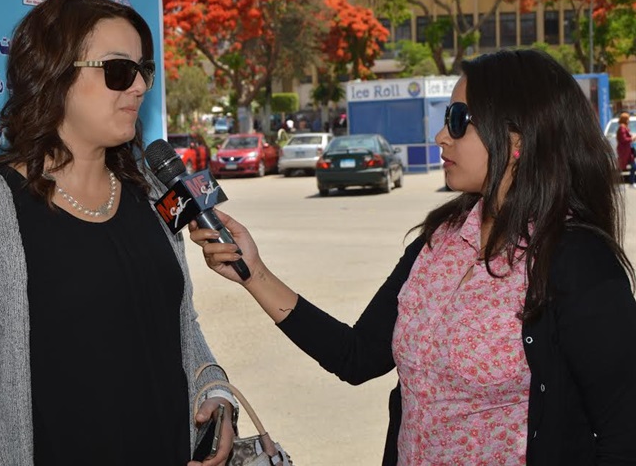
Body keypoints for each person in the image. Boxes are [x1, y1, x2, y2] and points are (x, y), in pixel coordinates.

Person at [190, 49, 636, 465]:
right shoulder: (439, 241)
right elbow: (358, 356)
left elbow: (622, 433)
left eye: (458, 120)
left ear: (516, 138)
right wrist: (253, 273)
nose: (441, 135)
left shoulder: (578, 261)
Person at [0, 0, 235, 465]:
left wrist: (212, 388)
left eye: (144, 70)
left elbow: (179, 324)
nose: (139, 86)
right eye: (119, 71)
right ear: (54, 76)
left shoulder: (151, 195)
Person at [616, 112, 636, 188]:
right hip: (624, 151)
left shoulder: (624, 127)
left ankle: (631, 182)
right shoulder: (622, 128)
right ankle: (619, 183)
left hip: (627, 151)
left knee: (633, 166)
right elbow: (623, 139)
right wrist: (632, 138)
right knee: (621, 167)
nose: (629, 120)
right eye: (627, 119)